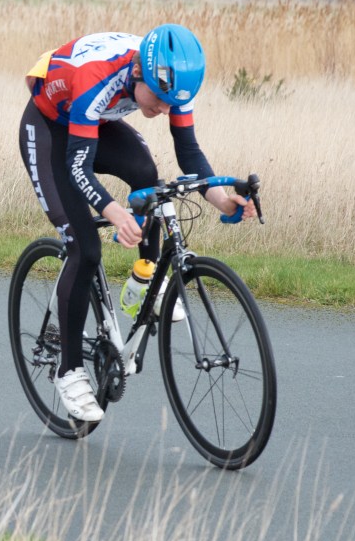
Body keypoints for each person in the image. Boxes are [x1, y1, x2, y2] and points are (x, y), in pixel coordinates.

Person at [18, 24, 255, 424]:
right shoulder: (98, 78)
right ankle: (69, 370)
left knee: (147, 174)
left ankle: (143, 280)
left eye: (172, 104)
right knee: (86, 249)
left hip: (95, 126)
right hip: (50, 132)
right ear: (140, 74)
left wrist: (219, 197)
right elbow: (77, 167)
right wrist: (114, 212)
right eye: (159, 101)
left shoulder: (172, 83)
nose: (165, 110)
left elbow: (189, 152)